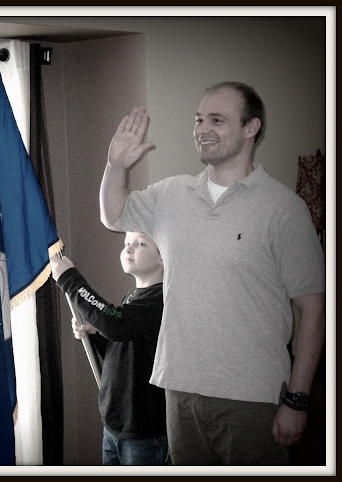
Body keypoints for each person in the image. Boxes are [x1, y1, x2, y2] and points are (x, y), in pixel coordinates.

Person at [99, 82, 325, 465]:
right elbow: (113, 216)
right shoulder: (171, 194)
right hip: (179, 390)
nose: (202, 128)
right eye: (199, 119)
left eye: (217, 120)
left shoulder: (284, 208)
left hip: (252, 399)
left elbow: (314, 308)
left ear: (251, 127)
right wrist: (116, 166)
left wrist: (298, 399)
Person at [50, 231, 168, 466]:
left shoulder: (161, 299)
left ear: (163, 257)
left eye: (141, 244)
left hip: (144, 431)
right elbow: (123, 350)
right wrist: (96, 336)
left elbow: (115, 325)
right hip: (115, 426)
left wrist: (70, 280)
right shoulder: (132, 297)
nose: (128, 248)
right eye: (127, 243)